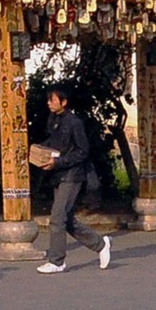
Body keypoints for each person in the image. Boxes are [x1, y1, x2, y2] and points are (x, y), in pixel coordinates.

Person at [36, 84, 112, 274]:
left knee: (57, 217)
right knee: (66, 220)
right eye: (49, 100)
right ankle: (100, 244)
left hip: (73, 175)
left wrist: (58, 161)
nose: (49, 103)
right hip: (58, 174)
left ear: (64, 101)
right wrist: (40, 152)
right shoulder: (53, 119)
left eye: (52, 100)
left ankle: (57, 261)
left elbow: (82, 151)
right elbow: (53, 144)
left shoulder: (74, 122)